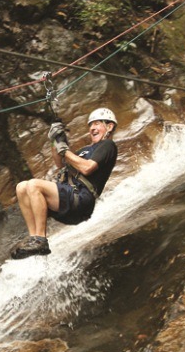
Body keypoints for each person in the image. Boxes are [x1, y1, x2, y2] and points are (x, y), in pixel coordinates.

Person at [11, 108, 118, 259]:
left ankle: (40, 239)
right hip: (70, 199)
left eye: (97, 124)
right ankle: (34, 238)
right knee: (21, 187)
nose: (92, 128)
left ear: (110, 126)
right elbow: (60, 164)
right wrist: (56, 141)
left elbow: (87, 168)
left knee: (34, 185)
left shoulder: (107, 146)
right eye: (91, 125)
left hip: (81, 199)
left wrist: (65, 151)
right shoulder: (85, 150)